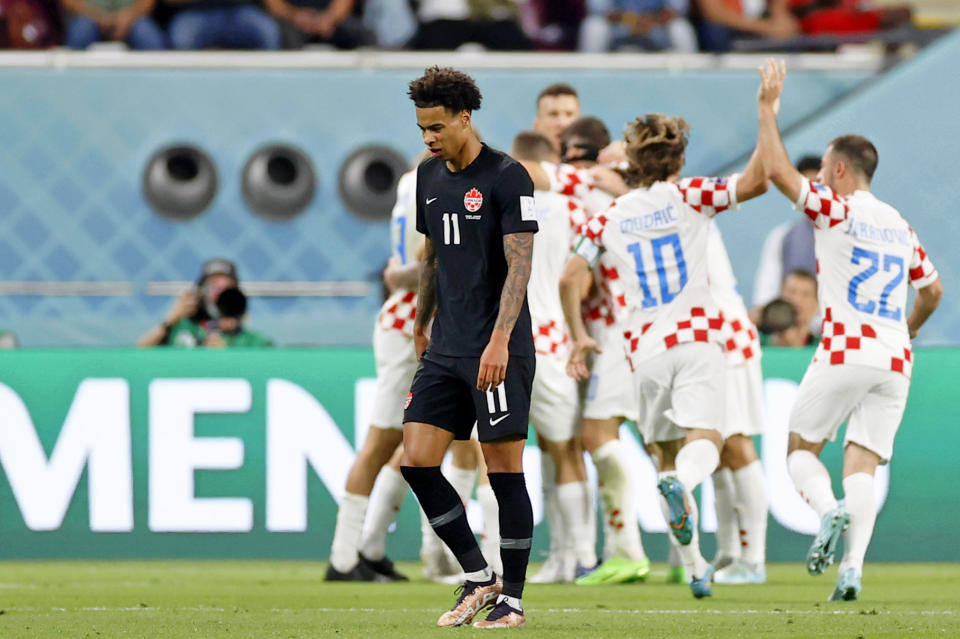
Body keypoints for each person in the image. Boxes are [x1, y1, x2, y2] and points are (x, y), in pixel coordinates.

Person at [560, 113, 768, 599]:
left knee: (665, 456)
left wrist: (576, 335)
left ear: (631, 159)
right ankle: (687, 489)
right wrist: (766, 112)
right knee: (708, 440)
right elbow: (758, 180)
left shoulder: (608, 215)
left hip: (642, 348)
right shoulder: (691, 195)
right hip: (696, 338)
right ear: (678, 158)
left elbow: (571, 275)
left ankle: (695, 567)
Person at [756, 59, 942, 601]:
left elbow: (776, 172)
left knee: (800, 450)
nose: (816, 179)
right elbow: (933, 291)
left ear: (838, 170)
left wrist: (767, 111)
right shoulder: (899, 224)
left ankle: (826, 508)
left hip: (843, 349)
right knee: (864, 460)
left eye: (823, 170)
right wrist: (906, 331)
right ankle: (853, 569)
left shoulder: (834, 209)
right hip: (894, 359)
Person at [400, 66, 537, 629]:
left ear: (465, 117)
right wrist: (421, 318)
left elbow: (520, 262)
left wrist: (500, 338)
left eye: (437, 126)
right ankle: (480, 578)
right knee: (416, 463)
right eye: (421, 128)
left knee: (503, 472)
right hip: (445, 347)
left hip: (497, 349)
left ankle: (515, 599)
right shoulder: (427, 176)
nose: (429, 137)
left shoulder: (508, 176)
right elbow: (430, 255)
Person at [510, 130, 597, 581]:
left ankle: (544, 558)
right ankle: (579, 554)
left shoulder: (497, 205)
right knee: (566, 450)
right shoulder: (572, 209)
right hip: (556, 340)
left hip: (507, 340)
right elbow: (587, 275)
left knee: (511, 452)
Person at [705, 223, 768, 585]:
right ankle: (729, 552)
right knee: (714, 447)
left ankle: (754, 559)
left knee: (736, 443)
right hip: (700, 339)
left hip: (724, 339)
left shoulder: (682, 203)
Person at [138, 258, 270, 348]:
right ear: (201, 292)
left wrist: (228, 355)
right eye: (213, 286)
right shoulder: (183, 329)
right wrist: (171, 319)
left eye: (226, 288)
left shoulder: (252, 341)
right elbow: (138, 353)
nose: (219, 294)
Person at [752, 155, 821, 311]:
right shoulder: (782, 237)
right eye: (805, 186)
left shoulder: (845, 235)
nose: (812, 193)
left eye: (817, 185)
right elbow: (765, 294)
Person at [165, 0, 281, 50]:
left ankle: (259, 91)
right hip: (197, 12)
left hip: (241, 10)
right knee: (182, 39)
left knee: (267, 33)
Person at [263, 0, 374, 49]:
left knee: (364, 36)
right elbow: (272, 3)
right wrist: (293, 15)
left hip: (330, 21)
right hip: (291, 20)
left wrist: (330, 18)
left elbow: (344, 2)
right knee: (285, 38)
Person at [60, 0, 166, 49]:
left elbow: (148, 2)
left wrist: (130, 16)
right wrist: (96, 15)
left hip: (132, 18)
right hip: (89, 17)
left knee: (147, 35)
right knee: (81, 30)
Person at [532, 83, 581, 155]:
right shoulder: (521, 164)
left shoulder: (599, 163)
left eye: (569, 114)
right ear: (537, 125)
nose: (562, 123)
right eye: (553, 114)